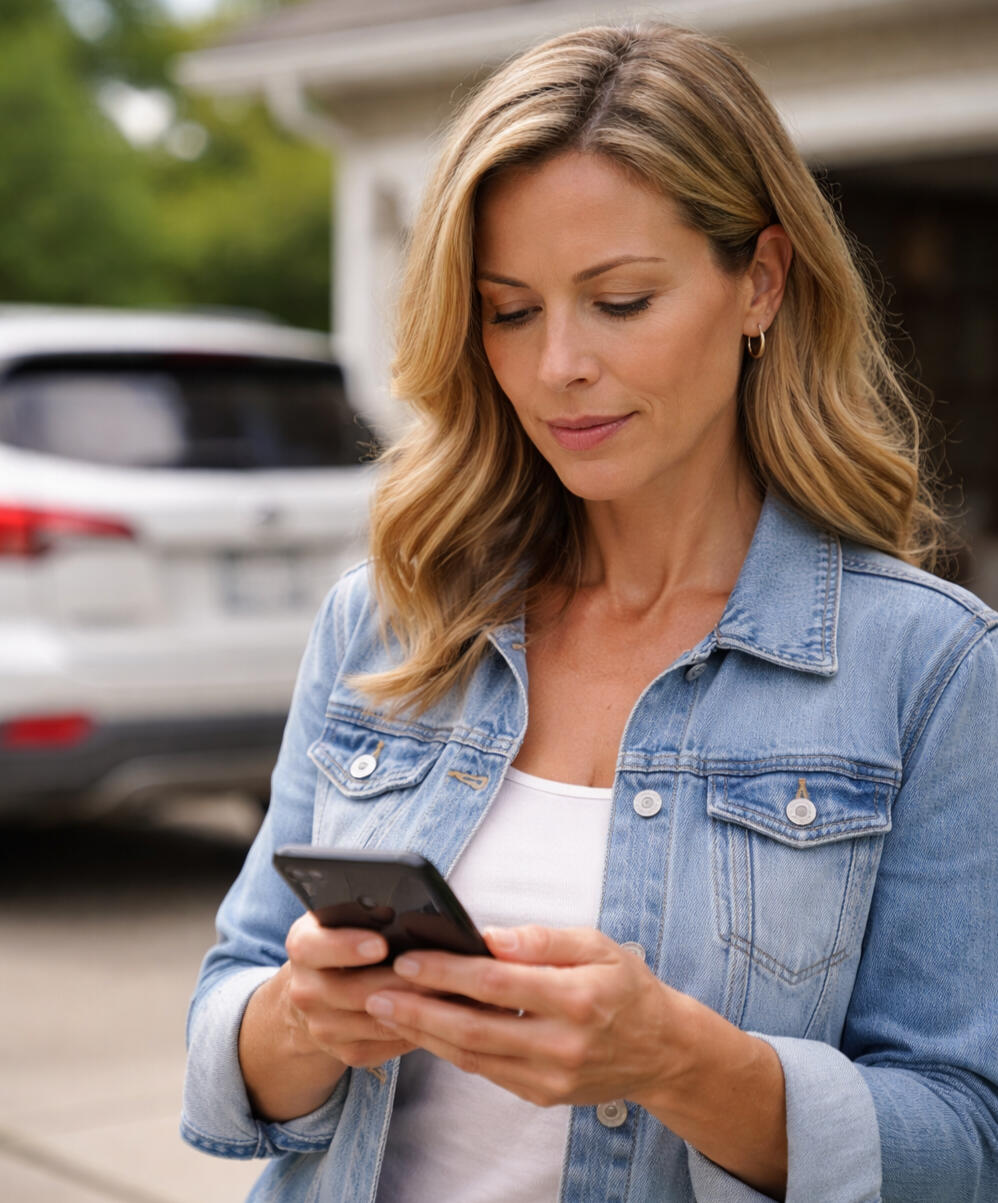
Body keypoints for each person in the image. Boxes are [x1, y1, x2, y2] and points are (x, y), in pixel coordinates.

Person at [181, 22, 998, 1203]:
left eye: (618, 301)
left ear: (759, 281)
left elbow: (965, 1144)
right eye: (509, 311)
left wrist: (678, 1062)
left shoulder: (927, 671)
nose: (557, 363)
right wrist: (305, 1016)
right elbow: (225, 1025)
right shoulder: (389, 620)